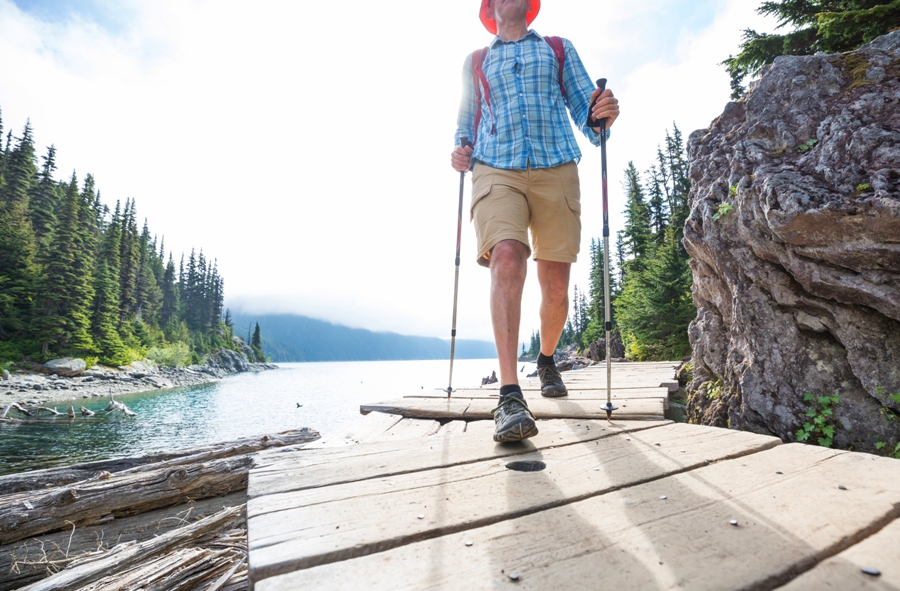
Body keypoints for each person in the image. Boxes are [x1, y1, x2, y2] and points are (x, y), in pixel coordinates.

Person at [450, 0, 620, 443]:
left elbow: (590, 115)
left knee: (556, 287)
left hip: (556, 165)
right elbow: (464, 126)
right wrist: (459, 151)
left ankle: (546, 359)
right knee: (506, 255)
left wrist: (603, 114)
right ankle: (509, 395)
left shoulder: (558, 50)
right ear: (490, 7)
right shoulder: (476, 62)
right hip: (495, 167)